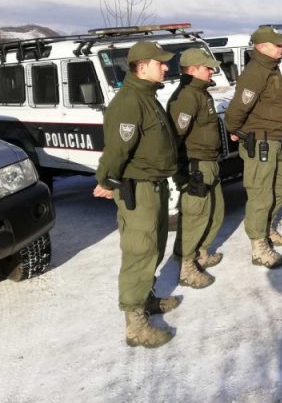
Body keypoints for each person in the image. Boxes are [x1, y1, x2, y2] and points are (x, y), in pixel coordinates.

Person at [93, 41, 179, 348]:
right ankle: (135, 324)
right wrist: (106, 179)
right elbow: (117, 148)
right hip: (137, 188)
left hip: (153, 184)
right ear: (142, 67)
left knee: (154, 247)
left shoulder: (146, 96)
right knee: (139, 251)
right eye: (161, 63)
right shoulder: (129, 102)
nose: (166, 66)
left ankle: (147, 299)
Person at [224, 26, 282, 269]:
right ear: (262, 47)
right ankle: (258, 246)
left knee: (281, 187)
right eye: (277, 44)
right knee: (261, 194)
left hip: (274, 140)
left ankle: (267, 228)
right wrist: (236, 130)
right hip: (260, 141)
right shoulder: (256, 72)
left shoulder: (271, 69)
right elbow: (236, 111)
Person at [167, 48, 224, 288]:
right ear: (192, 70)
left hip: (209, 162)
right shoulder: (187, 97)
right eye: (207, 67)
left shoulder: (201, 93)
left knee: (215, 212)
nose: (212, 70)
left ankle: (201, 252)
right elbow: (175, 138)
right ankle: (185, 266)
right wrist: (182, 172)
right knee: (194, 217)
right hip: (196, 166)